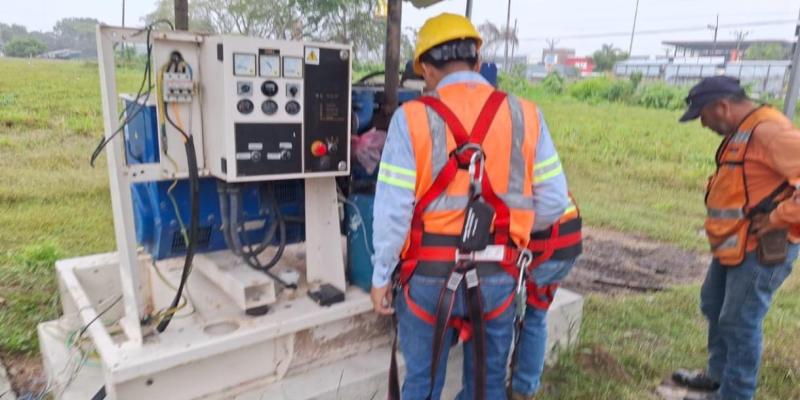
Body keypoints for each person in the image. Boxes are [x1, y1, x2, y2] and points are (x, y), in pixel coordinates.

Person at [369, 12, 569, 400]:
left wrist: (381, 276)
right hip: (498, 274)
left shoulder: (410, 119)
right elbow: (554, 201)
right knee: (487, 386)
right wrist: (514, 234)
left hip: (426, 277)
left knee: (422, 385)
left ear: (426, 69)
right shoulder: (525, 114)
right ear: (478, 62)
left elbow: (393, 210)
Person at [672, 76, 800, 400]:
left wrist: (777, 217)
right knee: (713, 305)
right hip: (734, 243)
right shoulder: (744, 129)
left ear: (722, 106)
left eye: (703, 117)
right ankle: (718, 378)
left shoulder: (771, 132)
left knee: (740, 321)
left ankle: (736, 393)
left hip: (761, 249)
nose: (703, 125)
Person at [508, 195, 583, 400]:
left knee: (509, 316)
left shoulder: (501, 166)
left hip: (546, 248)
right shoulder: (535, 163)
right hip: (568, 243)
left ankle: (511, 389)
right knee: (535, 314)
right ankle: (524, 388)